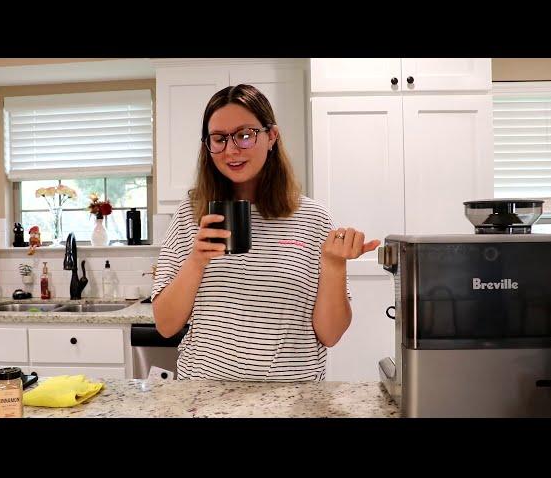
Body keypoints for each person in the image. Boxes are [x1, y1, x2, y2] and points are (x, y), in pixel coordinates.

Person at [151, 84, 380, 381]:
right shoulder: (191, 214)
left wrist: (335, 265)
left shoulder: (313, 218)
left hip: (292, 398)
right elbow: (166, 325)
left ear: (271, 136)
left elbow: (331, 334)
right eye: (219, 139)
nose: (231, 150)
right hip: (204, 396)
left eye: (245, 135)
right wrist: (196, 261)